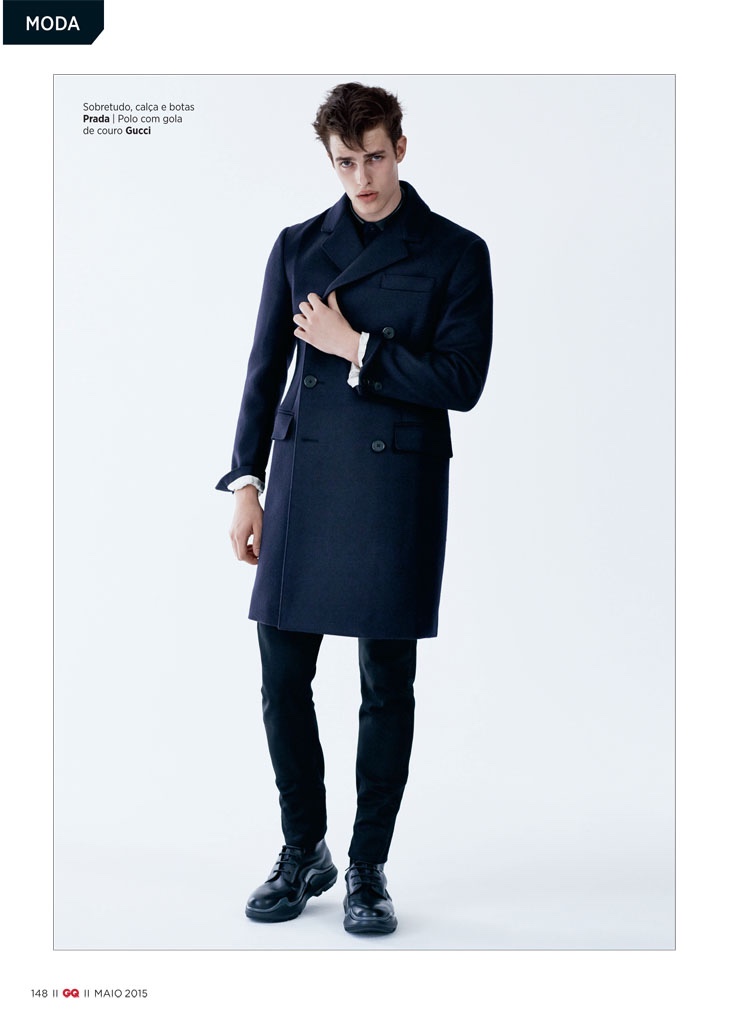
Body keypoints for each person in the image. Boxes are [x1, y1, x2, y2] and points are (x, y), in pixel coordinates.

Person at [217, 82, 493, 935]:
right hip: (302, 481)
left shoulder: (455, 252)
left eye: (374, 157)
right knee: (280, 678)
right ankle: (304, 849)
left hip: (394, 486)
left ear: (400, 147)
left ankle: (368, 866)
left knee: (385, 685)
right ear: (329, 160)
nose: (362, 178)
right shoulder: (299, 246)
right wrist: (246, 482)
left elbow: (462, 382)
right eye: (345, 163)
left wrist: (355, 348)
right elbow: (264, 370)